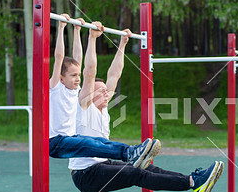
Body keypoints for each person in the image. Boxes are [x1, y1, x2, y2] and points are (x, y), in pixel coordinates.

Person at [69, 30, 224, 192]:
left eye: (106, 91)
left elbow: (114, 74)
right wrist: (92, 38)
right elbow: (89, 71)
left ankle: (193, 180)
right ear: (89, 95)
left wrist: (122, 43)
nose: (106, 94)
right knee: (136, 174)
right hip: (86, 175)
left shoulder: (103, 109)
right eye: (100, 92)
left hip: (102, 164)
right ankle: (193, 183)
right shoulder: (84, 108)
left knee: (146, 166)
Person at [48, 14, 159, 169]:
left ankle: (132, 153)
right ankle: (129, 153)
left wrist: (77, 30)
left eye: (78, 75)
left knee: (99, 142)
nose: (77, 79)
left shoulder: (76, 90)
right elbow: (59, 56)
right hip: (55, 142)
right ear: (61, 78)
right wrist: (61, 28)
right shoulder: (55, 88)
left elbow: (79, 59)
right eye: (73, 76)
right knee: (89, 142)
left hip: (71, 139)